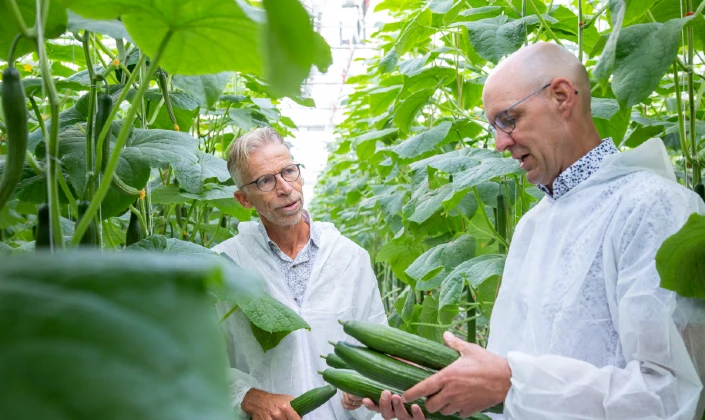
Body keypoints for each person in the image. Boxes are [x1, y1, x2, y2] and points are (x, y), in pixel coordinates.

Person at [363, 43, 705, 419]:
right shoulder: (534, 225)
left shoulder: (653, 207)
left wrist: (515, 382)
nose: (499, 142)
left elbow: (671, 394)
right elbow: (508, 383)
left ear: (561, 97)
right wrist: (442, 396)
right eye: (494, 126)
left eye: (508, 119)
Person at [214, 127, 386, 419]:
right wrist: (247, 397)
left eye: (288, 171)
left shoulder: (349, 257)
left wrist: (366, 380)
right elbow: (201, 360)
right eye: (265, 181)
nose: (284, 187)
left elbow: (377, 341)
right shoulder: (224, 265)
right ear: (244, 199)